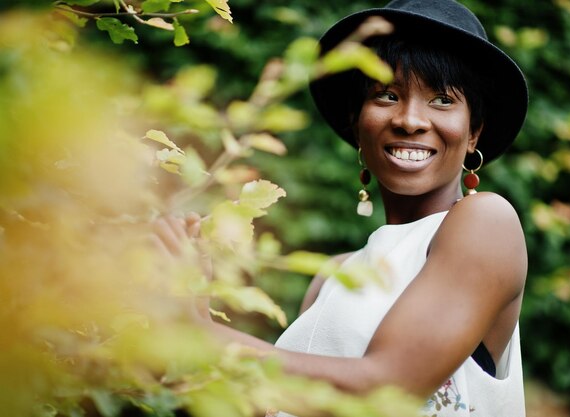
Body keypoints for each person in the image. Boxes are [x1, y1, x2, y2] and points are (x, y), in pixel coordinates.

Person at [155, 0, 529, 415]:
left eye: (442, 100)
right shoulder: (329, 278)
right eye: (387, 95)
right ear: (357, 121)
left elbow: (386, 389)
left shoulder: (486, 222)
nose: (410, 119)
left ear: (474, 132)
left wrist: (197, 333)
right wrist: (188, 300)